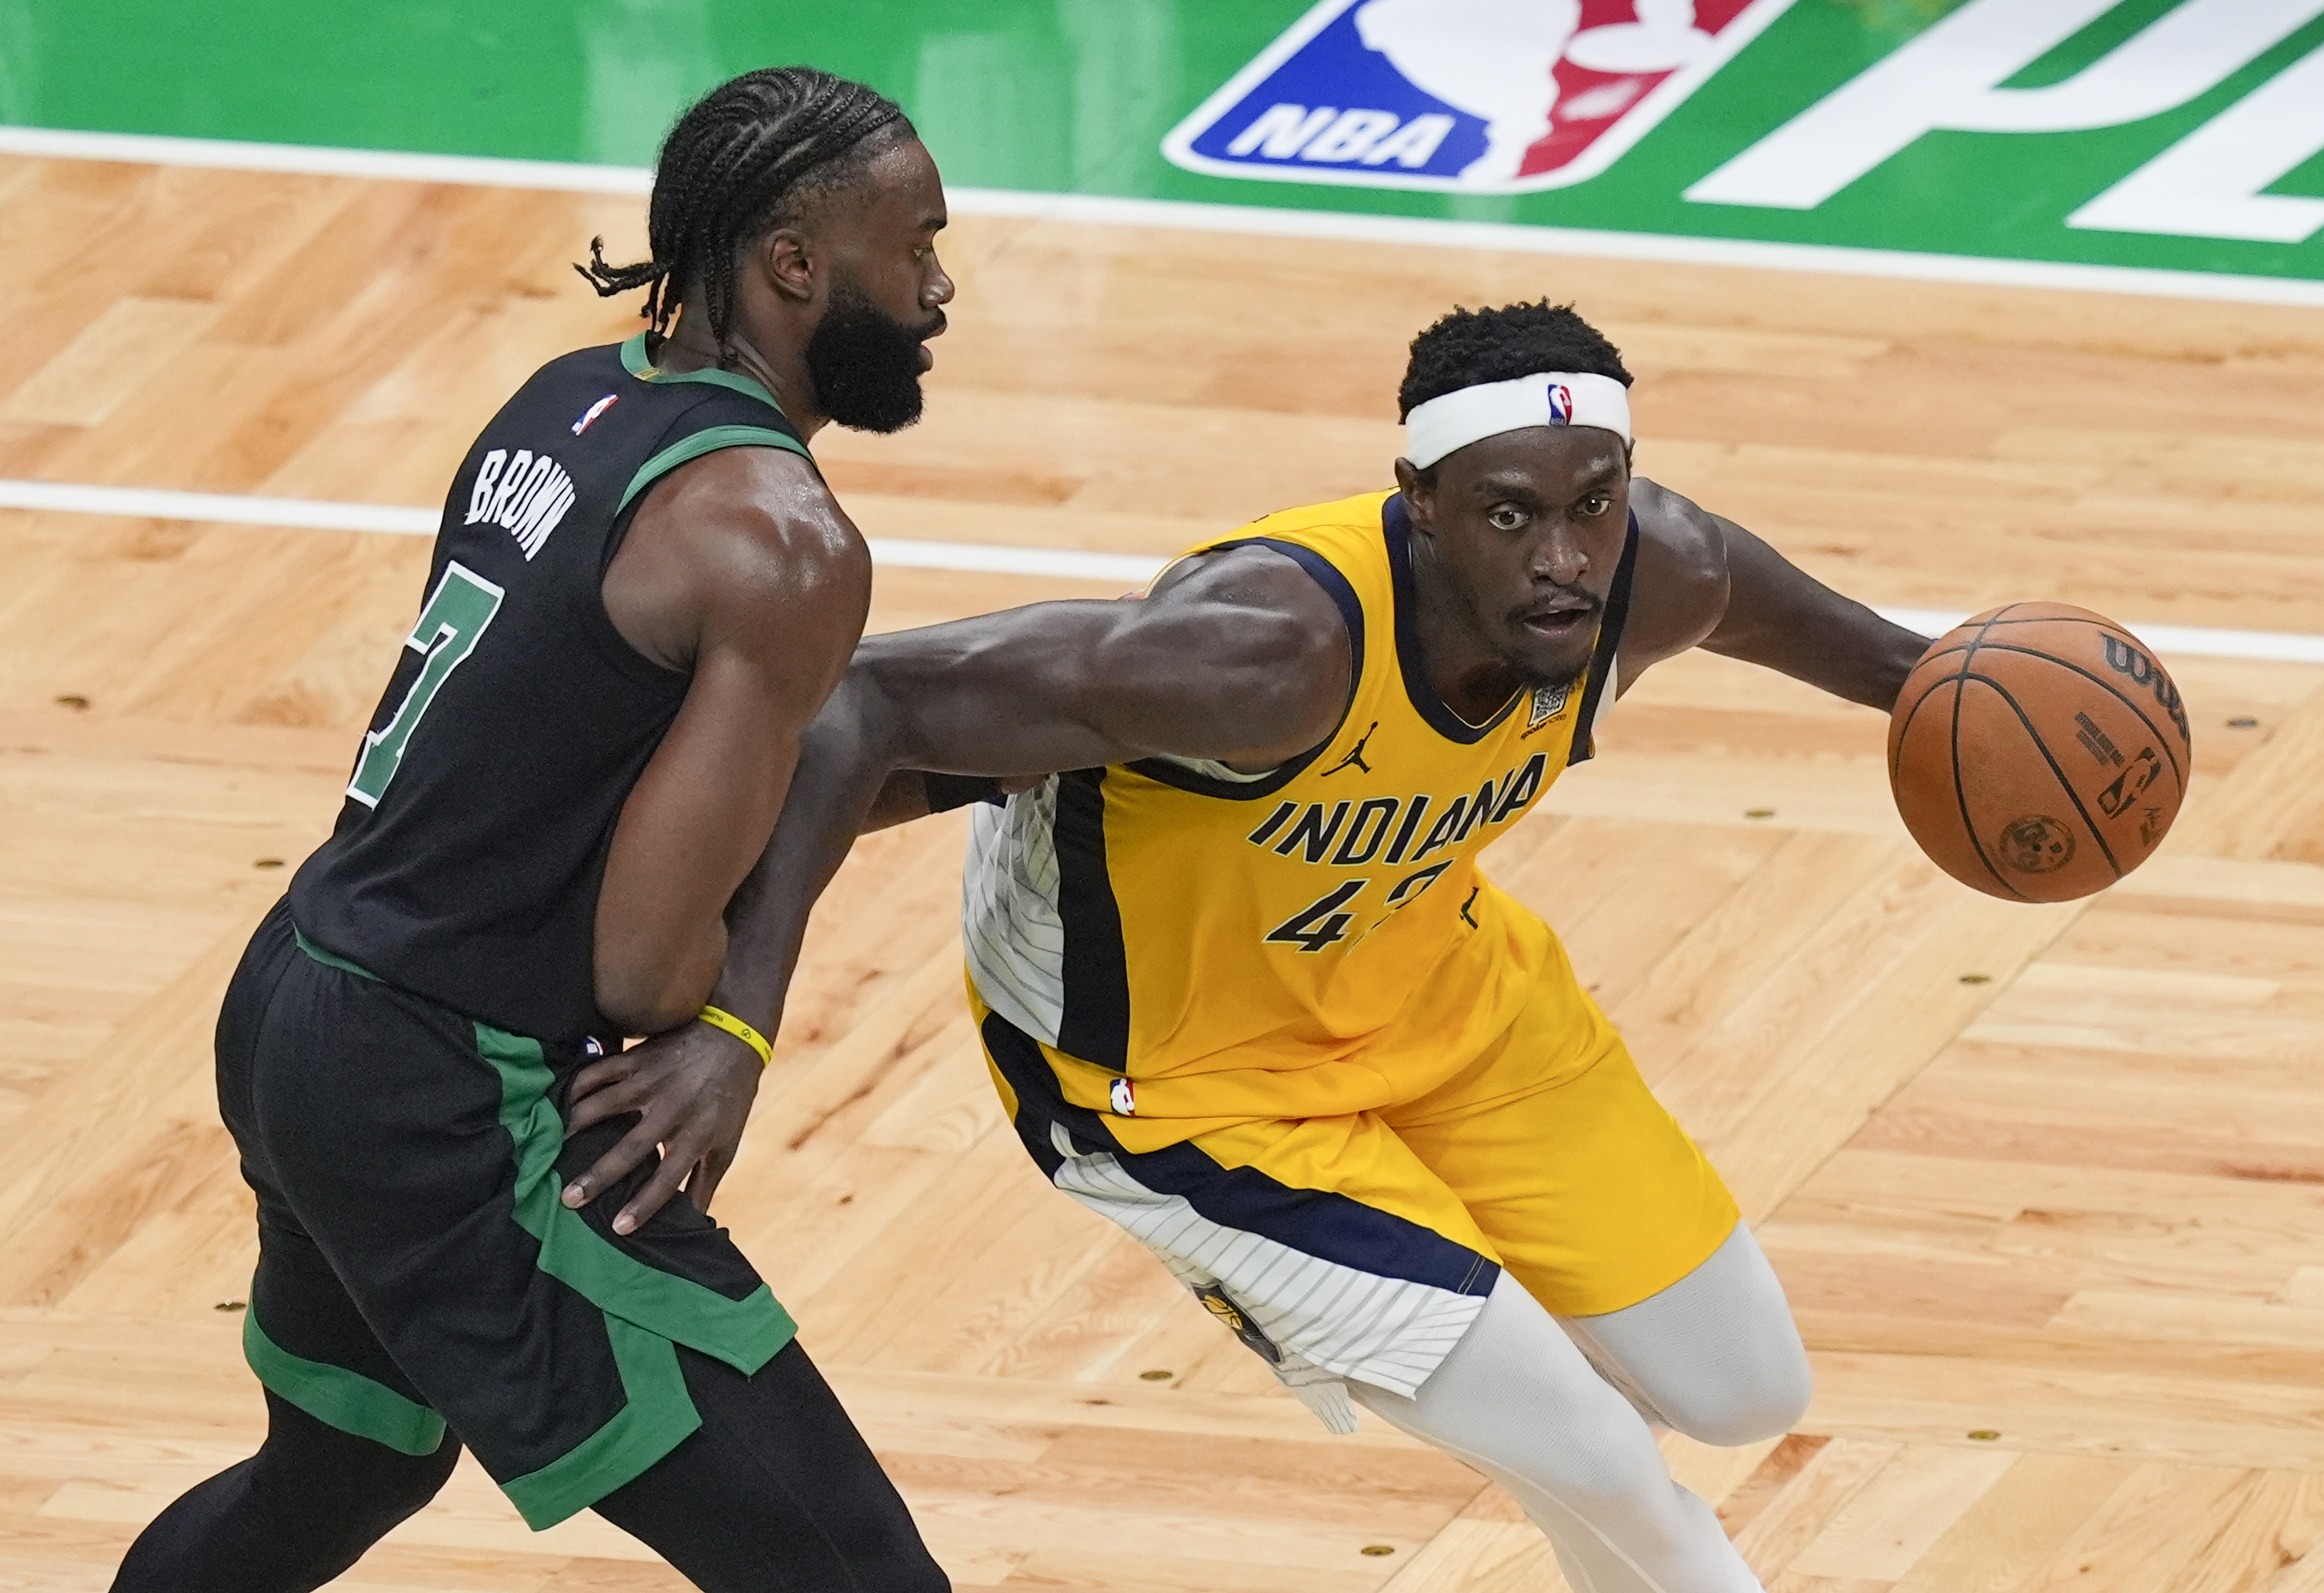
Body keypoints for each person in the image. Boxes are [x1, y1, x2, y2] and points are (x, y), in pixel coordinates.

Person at [582, 298, 1936, 1592]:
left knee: (1745, 1390)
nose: (1563, 559)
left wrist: (2020, 723)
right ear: (1421, 504)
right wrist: (731, 1022)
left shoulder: (1658, 575)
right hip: (1178, 1082)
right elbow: (858, 709)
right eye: (1511, 515)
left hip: (1444, 1001)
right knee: (1594, 1452)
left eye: (1594, 505)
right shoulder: (1265, 652)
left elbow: (1925, 682)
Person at [112, 67, 954, 1593]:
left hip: (304, 995)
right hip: (453, 1090)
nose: (939, 290)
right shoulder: (782, 538)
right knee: (853, 1577)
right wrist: (736, 1029)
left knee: (338, 1470)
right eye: (918, 248)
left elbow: (559, 759)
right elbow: (645, 972)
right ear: (794, 265)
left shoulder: (572, 394)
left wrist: (929, 769)